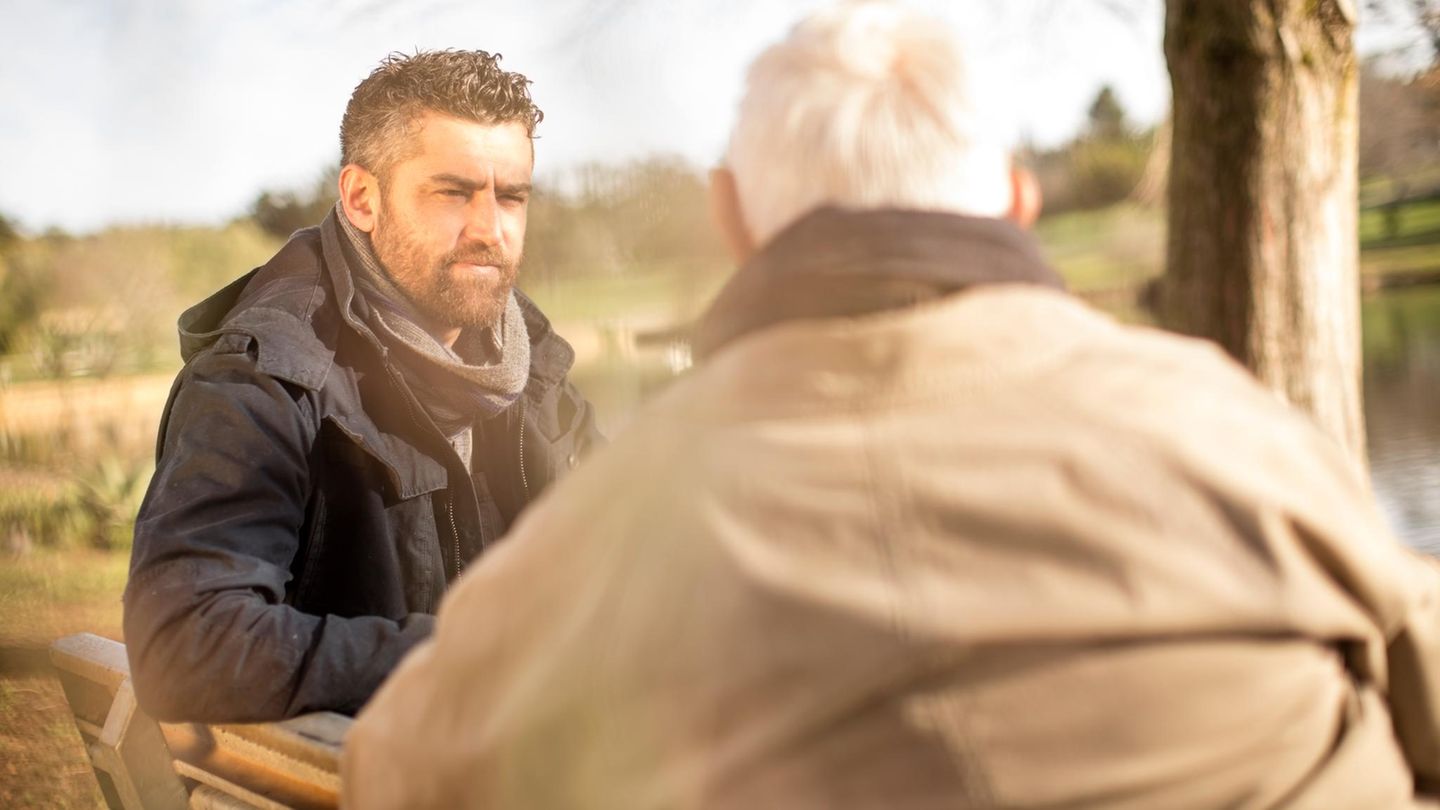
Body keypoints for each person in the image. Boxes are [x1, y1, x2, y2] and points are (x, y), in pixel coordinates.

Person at [342, 5, 1440, 809]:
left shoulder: (615, 520)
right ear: (1018, 198)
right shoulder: (1231, 425)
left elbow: (398, 772)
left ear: (733, 219)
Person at [122, 49, 601, 723]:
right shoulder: (266, 378)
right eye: (452, 193)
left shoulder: (533, 364)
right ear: (361, 198)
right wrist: (467, 660)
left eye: (511, 197)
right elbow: (187, 643)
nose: (490, 230)